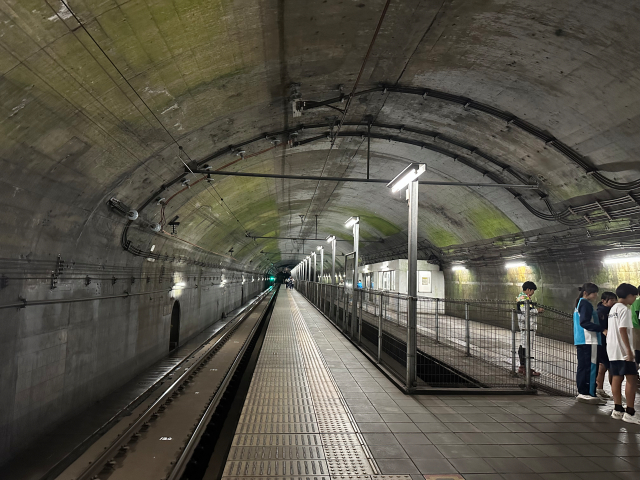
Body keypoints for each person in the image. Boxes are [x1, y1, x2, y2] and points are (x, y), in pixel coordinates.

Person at [607, 283, 639, 424]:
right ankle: (630, 412)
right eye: (634, 296)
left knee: (617, 377)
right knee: (632, 379)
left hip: (612, 349)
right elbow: (622, 330)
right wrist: (629, 351)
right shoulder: (625, 309)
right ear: (629, 296)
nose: (635, 299)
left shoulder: (613, 308)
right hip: (623, 351)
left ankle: (618, 409)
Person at [573, 282, 607, 404]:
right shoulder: (586, 304)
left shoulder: (580, 303)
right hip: (589, 340)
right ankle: (589, 392)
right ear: (586, 293)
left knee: (583, 366)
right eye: (594, 293)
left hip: (581, 340)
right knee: (591, 366)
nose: (596, 295)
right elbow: (585, 322)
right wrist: (601, 329)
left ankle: (583, 391)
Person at [516, 281, 543, 376]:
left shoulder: (524, 298)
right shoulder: (523, 299)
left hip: (527, 326)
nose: (533, 293)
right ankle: (525, 368)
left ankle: (523, 367)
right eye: (532, 291)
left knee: (524, 344)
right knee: (526, 345)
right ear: (528, 289)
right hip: (527, 326)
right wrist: (537, 311)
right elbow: (526, 311)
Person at [595, 292, 617, 399]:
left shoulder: (610, 310)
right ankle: (614, 392)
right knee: (608, 366)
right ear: (603, 301)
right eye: (611, 300)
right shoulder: (601, 312)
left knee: (603, 365)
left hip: (605, 342)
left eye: (614, 299)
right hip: (604, 342)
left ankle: (600, 389)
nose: (614, 302)